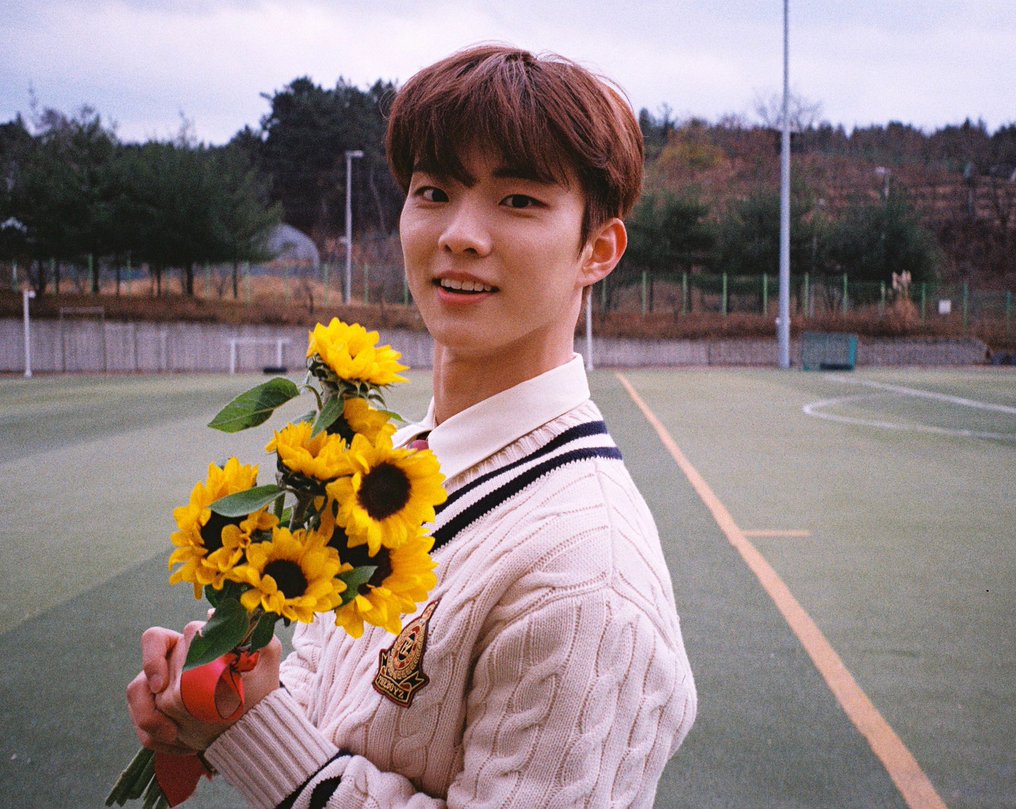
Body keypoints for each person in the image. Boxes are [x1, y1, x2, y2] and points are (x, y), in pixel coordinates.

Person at [129, 43, 697, 808]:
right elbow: (326, 688)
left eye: (518, 200)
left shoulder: (590, 576)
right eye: (434, 191)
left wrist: (258, 733)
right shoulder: (392, 464)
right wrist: (226, 699)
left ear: (598, 249)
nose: (460, 232)